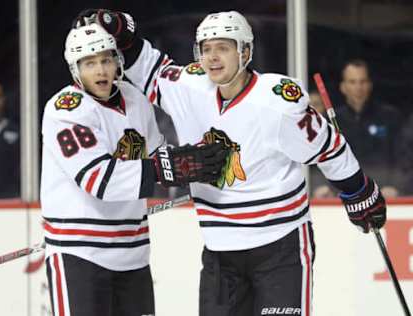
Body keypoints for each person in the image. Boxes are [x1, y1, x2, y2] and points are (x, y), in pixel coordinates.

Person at [76, 10, 388, 315]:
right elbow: (148, 68)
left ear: (246, 51)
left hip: (280, 246)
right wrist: (119, 32)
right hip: (220, 250)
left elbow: (327, 147)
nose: (212, 57)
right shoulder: (189, 86)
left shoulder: (277, 101)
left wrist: (359, 191)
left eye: (223, 48)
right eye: (206, 49)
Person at [41, 23, 227, 316]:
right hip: (81, 254)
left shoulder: (135, 98)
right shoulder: (66, 110)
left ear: (118, 61)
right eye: (89, 63)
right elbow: (100, 180)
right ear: (75, 69)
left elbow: (158, 154)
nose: (100, 70)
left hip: (133, 252)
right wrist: (172, 167)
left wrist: (200, 165)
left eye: (106, 59)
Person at [313, 60, 403, 198]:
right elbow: (317, 157)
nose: (358, 87)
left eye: (363, 81)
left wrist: (396, 186)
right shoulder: (329, 120)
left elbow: (403, 157)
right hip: (339, 199)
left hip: (383, 196)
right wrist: (319, 186)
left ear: (370, 85)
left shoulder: (390, 117)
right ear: (343, 87)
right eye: (352, 82)